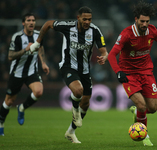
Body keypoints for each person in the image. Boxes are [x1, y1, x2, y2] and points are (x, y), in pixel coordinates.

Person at [30, 6, 108, 143]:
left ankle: (70, 132)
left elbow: (104, 51)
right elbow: (48, 24)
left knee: (86, 103)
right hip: (68, 66)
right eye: (84, 19)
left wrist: (104, 57)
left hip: (85, 70)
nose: (87, 22)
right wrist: (38, 42)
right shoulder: (67, 26)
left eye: (89, 19)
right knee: (78, 91)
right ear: (78, 18)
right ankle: (75, 110)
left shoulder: (95, 31)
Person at [108, 1, 157, 146]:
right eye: (142, 21)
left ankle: (137, 115)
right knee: (141, 106)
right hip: (129, 74)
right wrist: (118, 72)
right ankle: (144, 135)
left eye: (147, 21)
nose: (145, 24)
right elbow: (111, 55)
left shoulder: (152, 30)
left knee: (152, 108)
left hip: (146, 73)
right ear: (136, 19)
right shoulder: (126, 34)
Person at [0, 13, 49, 136]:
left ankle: (21, 108)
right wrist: (25, 50)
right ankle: (1, 123)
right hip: (17, 73)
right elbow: (10, 56)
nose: (31, 22)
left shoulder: (38, 35)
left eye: (33, 20)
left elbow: (40, 47)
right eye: (28, 20)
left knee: (39, 92)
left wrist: (43, 62)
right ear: (23, 23)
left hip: (31, 71)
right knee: (9, 101)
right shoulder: (17, 37)